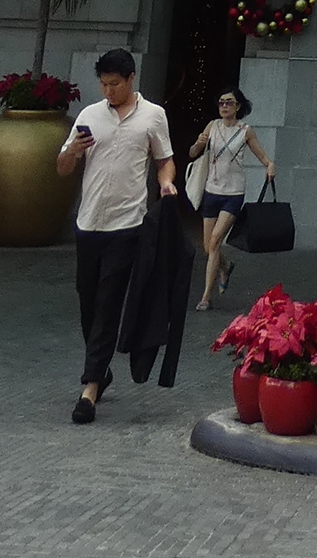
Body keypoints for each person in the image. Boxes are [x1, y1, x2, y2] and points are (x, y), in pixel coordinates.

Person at [56, 47, 176, 423]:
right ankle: (102, 368)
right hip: (89, 223)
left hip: (128, 225)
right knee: (88, 302)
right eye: (104, 84)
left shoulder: (153, 116)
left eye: (115, 84)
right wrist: (73, 150)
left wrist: (167, 184)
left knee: (108, 301)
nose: (108, 91)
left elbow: (164, 159)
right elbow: (61, 168)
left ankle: (89, 388)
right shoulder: (90, 115)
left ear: (131, 79)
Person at [187, 86, 275, 310]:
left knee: (216, 240)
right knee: (208, 247)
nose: (224, 106)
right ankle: (225, 266)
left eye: (228, 102)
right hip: (211, 190)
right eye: (221, 102)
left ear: (238, 106)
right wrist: (198, 143)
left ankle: (206, 297)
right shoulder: (212, 126)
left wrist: (269, 165)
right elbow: (192, 153)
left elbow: (260, 154)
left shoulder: (245, 130)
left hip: (233, 193)